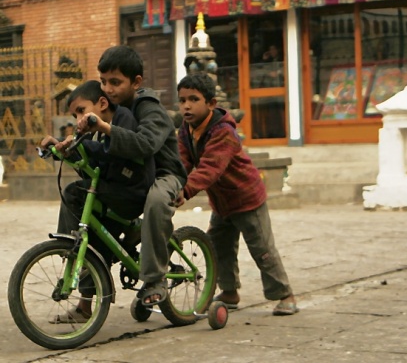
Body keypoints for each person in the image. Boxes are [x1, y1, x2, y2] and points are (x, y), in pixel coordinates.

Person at [175, 73, 298, 316]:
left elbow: (211, 167)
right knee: (219, 246)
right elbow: (182, 162)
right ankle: (229, 292)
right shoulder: (186, 130)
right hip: (221, 202)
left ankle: (285, 294)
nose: (186, 106)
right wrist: (174, 182)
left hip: (246, 198)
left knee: (261, 248)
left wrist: (186, 190)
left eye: (193, 99)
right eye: (182, 100)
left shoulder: (223, 132)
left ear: (211, 104)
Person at [76, 45, 187, 307]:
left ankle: (154, 279)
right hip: (130, 175)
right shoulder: (109, 107)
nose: (108, 89)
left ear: (136, 82)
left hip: (163, 174)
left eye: (115, 82)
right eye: (103, 82)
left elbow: (146, 144)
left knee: (157, 201)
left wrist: (106, 128)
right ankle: (85, 295)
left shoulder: (148, 108)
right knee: (85, 197)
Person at [41, 80, 155, 322]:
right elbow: (90, 168)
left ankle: (74, 244)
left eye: (81, 111)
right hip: (110, 192)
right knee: (92, 238)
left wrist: (81, 146)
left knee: (75, 194)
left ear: (102, 103)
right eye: (75, 115)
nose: (78, 118)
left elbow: (113, 151)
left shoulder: (123, 119)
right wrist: (63, 150)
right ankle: (84, 306)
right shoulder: (92, 131)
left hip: (132, 193)